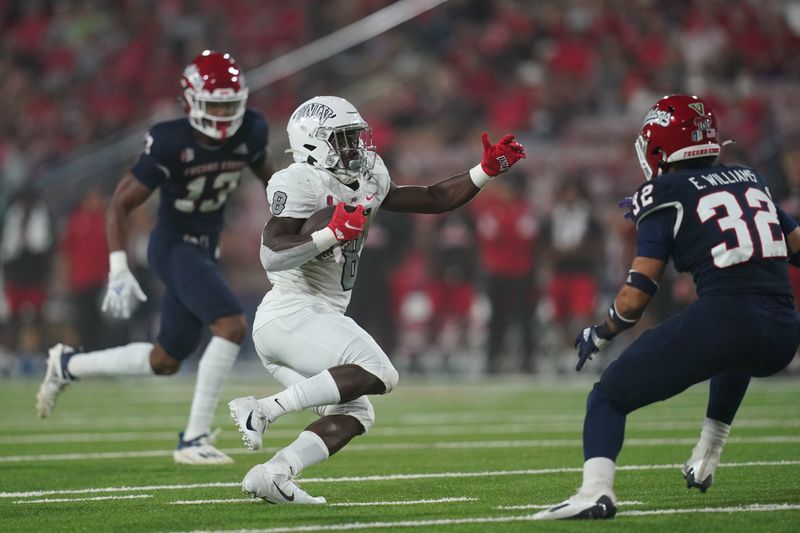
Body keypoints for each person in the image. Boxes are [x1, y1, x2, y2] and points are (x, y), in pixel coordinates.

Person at [227, 96, 525, 504]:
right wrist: (329, 233)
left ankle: (276, 472)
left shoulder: (368, 176)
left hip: (314, 320)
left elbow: (433, 199)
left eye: (355, 137)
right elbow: (272, 252)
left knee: (356, 413)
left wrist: (485, 171)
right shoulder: (298, 181)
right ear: (314, 144)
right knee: (379, 370)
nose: (357, 148)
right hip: (291, 310)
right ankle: (264, 409)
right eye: (344, 139)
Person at [534, 94, 800, 520]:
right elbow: (794, 246)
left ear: (658, 148)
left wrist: (601, 332)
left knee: (607, 396)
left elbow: (638, 293)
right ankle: (709, 450)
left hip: (726, 318)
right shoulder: (750, 176)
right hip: (784, 330)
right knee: (740, 349)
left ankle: (595, 492)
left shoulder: (664, 190)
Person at [36, 50, 273, 465]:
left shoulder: (250, 130)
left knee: (164, 359)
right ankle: (194, 438)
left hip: (207, 248)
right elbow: (120, 204)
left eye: (229, 105)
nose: (222, 114)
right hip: (173, 243)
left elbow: (269, 175)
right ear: (191, 102)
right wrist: (118, 267)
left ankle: (68, 365)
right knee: (231, 325)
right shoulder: (170, 141)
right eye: (214, 104)